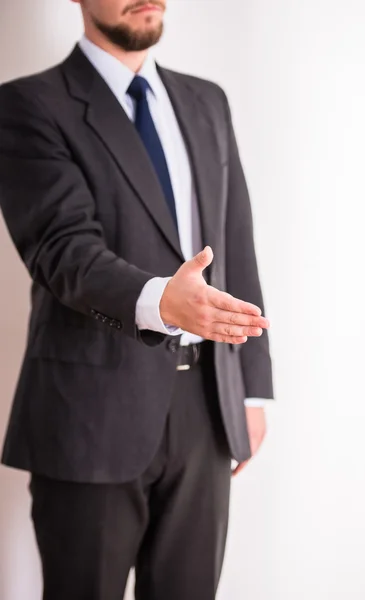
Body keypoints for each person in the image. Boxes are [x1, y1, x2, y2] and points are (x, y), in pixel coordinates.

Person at [0, 1, 274, 598]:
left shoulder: (207, 101)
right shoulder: (27, 105)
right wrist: (159, 302)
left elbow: (235, 243)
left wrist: (249, 387)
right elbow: (61, 249)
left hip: (206, 408)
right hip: (87, 414)